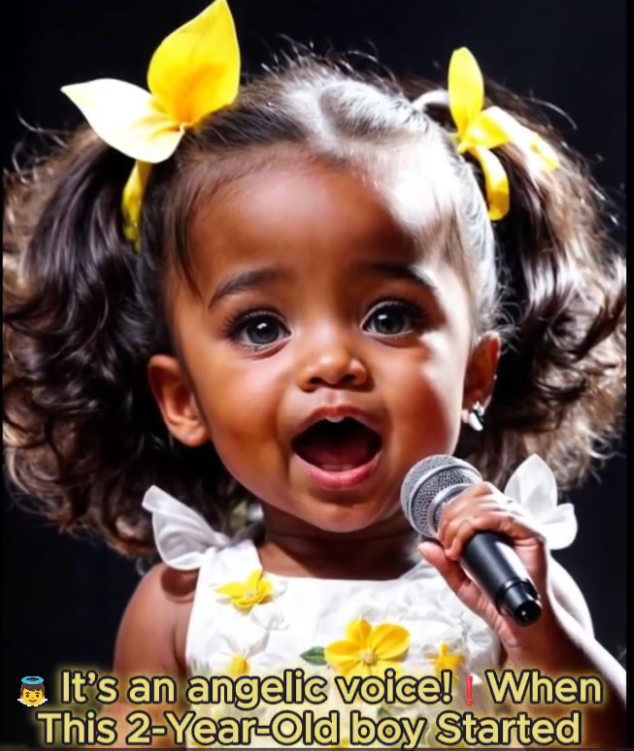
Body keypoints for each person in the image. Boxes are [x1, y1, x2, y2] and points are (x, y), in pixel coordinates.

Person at [3, 0, 626, 747]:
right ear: (183, 398)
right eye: (261, 327)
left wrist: (546, 641)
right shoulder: (183, 608)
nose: (332, 362)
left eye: (390, 317)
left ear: (475, 375)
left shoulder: (517, 593)